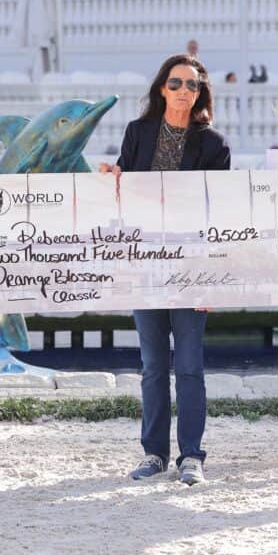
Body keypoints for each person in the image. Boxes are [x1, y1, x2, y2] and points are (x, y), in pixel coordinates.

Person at [98, 54, 231, 486]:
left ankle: (191, 456)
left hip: (192, 266)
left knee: (190, 365)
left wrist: (215, 277)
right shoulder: (138, 133)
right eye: (176, 83)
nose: (183, 91)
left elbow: (219, 215)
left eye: (192, 85)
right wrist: (112, 176)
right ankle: (154, 453)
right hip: (143, 265)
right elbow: (124, 192)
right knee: (153, 367)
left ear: (200, 94)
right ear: (162, 89)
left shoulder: (214, 145)